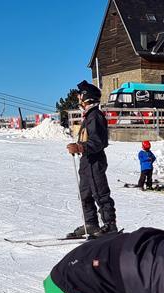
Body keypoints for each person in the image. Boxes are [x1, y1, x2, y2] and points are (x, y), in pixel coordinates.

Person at [66, 80, 118, 239]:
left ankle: (110, 225)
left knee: (99, 192)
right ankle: (91, 223)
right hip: (86, 161)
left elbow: (99, 142)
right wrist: (77, 146)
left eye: (80, 95)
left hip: (95, 160)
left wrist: (81, 147)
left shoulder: (95, 116)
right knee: (85, 193)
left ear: (86, 97)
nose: (78, 98)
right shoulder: (88, 116)